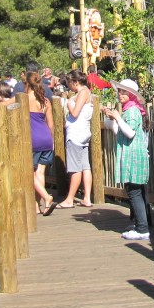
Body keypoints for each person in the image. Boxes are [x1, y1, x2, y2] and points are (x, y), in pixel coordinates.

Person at [102, 78, 151, 241]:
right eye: (119, 91)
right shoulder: (129, 110)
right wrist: (111, 119)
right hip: (132, 155)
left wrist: (117, 117)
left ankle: (142, 228)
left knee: (134, 191)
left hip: (134, 156)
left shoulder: (132, 111)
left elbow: (130, 133)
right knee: (136, 190)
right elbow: (120, 132)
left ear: (132, 94)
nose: (120, 94)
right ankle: (141, 223)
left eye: (123, 91)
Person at [52, 69, 93, 210]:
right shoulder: (85, 92)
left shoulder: (82, 92)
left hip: (76, 134)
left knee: (75, 168)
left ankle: (69, 199)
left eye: (69, 83)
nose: (68, 86)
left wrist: (69, 104)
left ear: (75, 82)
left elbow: (75, 113)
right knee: (85, 166)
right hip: (83, 133)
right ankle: (87, 198)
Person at [24, 71, 56, 215]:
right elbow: (51, 124)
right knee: (40, 173)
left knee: (29, 173)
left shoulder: (24, 99)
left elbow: (2, 104)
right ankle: (38, 206)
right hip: (46, 138)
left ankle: (46, 197)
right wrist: (52, 140)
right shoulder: (45, 101)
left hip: (33, 139)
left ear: (27, 83)